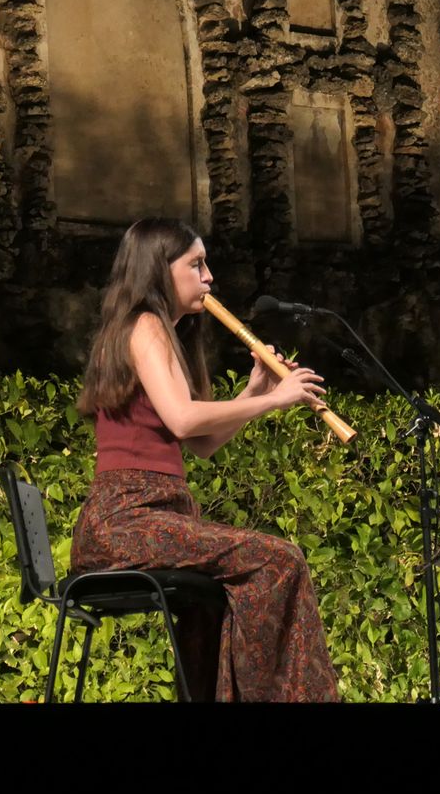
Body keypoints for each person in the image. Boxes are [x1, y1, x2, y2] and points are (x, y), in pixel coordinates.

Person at [73, 217, 338, 701]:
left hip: (150, 516)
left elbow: (202, 443)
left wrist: (255, 389)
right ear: (159, 270)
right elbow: (182, 420)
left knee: (221, 600)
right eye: (196, 264)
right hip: (125, 518)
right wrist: (278, 400)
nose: (209, 277)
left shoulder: (163, 334)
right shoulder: (145, 326)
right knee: (279, 560)